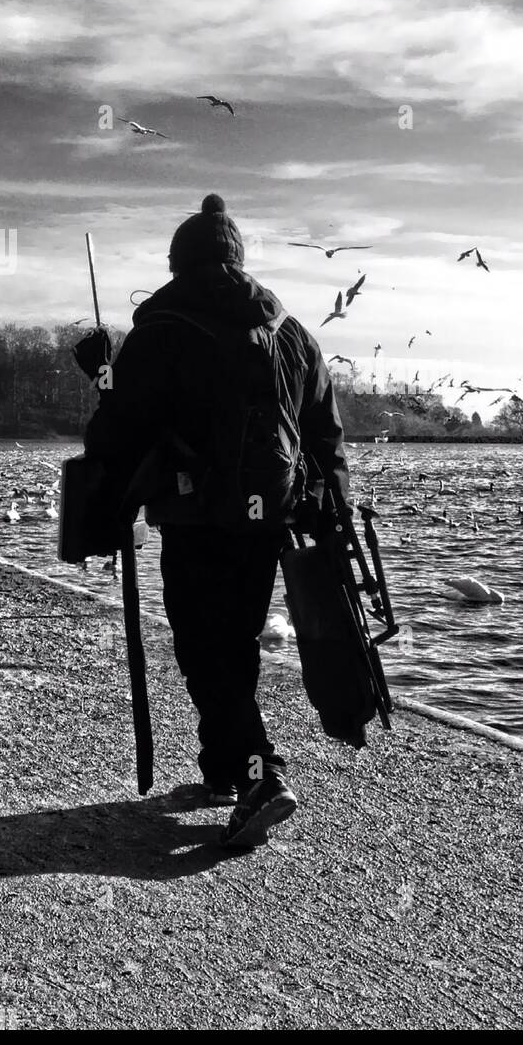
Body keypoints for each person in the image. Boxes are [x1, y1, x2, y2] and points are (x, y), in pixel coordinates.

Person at [83, 194, 350, 849]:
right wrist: (331, 514)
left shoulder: (166, 324)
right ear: (236, 257)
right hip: (269, 519)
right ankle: (224, 771)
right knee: (233, 643)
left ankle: (263, 773)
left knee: (206, 648)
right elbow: (325, 435)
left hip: (196, 516)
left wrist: (103, 374)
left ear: (178, 261)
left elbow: (121, 427)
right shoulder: (290, 332)